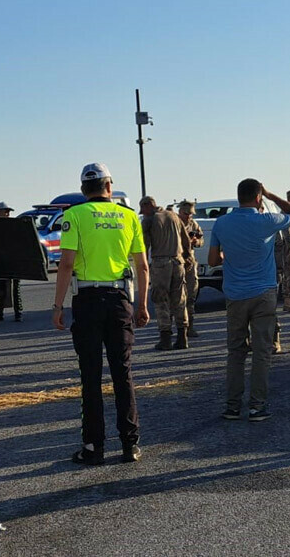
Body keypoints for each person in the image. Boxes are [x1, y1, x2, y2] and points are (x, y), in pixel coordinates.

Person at [51, 163, 150, 465]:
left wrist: (58, 306)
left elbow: (66, 263)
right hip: (120, 299)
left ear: (83, 190)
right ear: (110, 186)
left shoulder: (74, 216)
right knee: (123, 372)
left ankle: (94, 447)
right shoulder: (129, 216)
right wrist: (143, 305)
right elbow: (142, 265)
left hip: (88, 299)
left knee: (91, 375)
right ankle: (130, 444)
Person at [209, 179, 290, 421]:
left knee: (236, 352)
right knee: (262, 352)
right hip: (263, 293)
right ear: (258, 197)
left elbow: (212, 260)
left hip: (235, 293)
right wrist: (271, 194)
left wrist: (230, 255)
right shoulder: (267, 221)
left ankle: (232, 405)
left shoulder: (222, 223)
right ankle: (257, 405)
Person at [140, 196, 191, 350]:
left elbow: (144, 245)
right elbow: (186, 239)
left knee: (160, 300)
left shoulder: (149, 220)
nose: (142, 213)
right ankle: (182, 337)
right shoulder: (174, 216)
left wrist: (143, 265)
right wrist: (187, 257)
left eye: (143, 209)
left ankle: (165, 337)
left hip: (160, 263)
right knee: (179, 299)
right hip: (178, 261)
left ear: (149, 205)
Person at [0, 201, 23, 323]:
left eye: (9, 212)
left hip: (13, 262)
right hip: (1, 262)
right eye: (6, 211)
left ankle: (18, 313)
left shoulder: (14, 226)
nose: (8, 214)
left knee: (15, 289)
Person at [178, 200, 204, 337]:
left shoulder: (193, 224)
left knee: (191, 295)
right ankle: (177, 327)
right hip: (177, 261)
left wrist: (196, 241)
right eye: (185, 213)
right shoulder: (175, 223)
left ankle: (190, 326)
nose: (188, 216)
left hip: (190, 261)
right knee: (176, 297)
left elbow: (201, 240)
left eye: (191, 214)